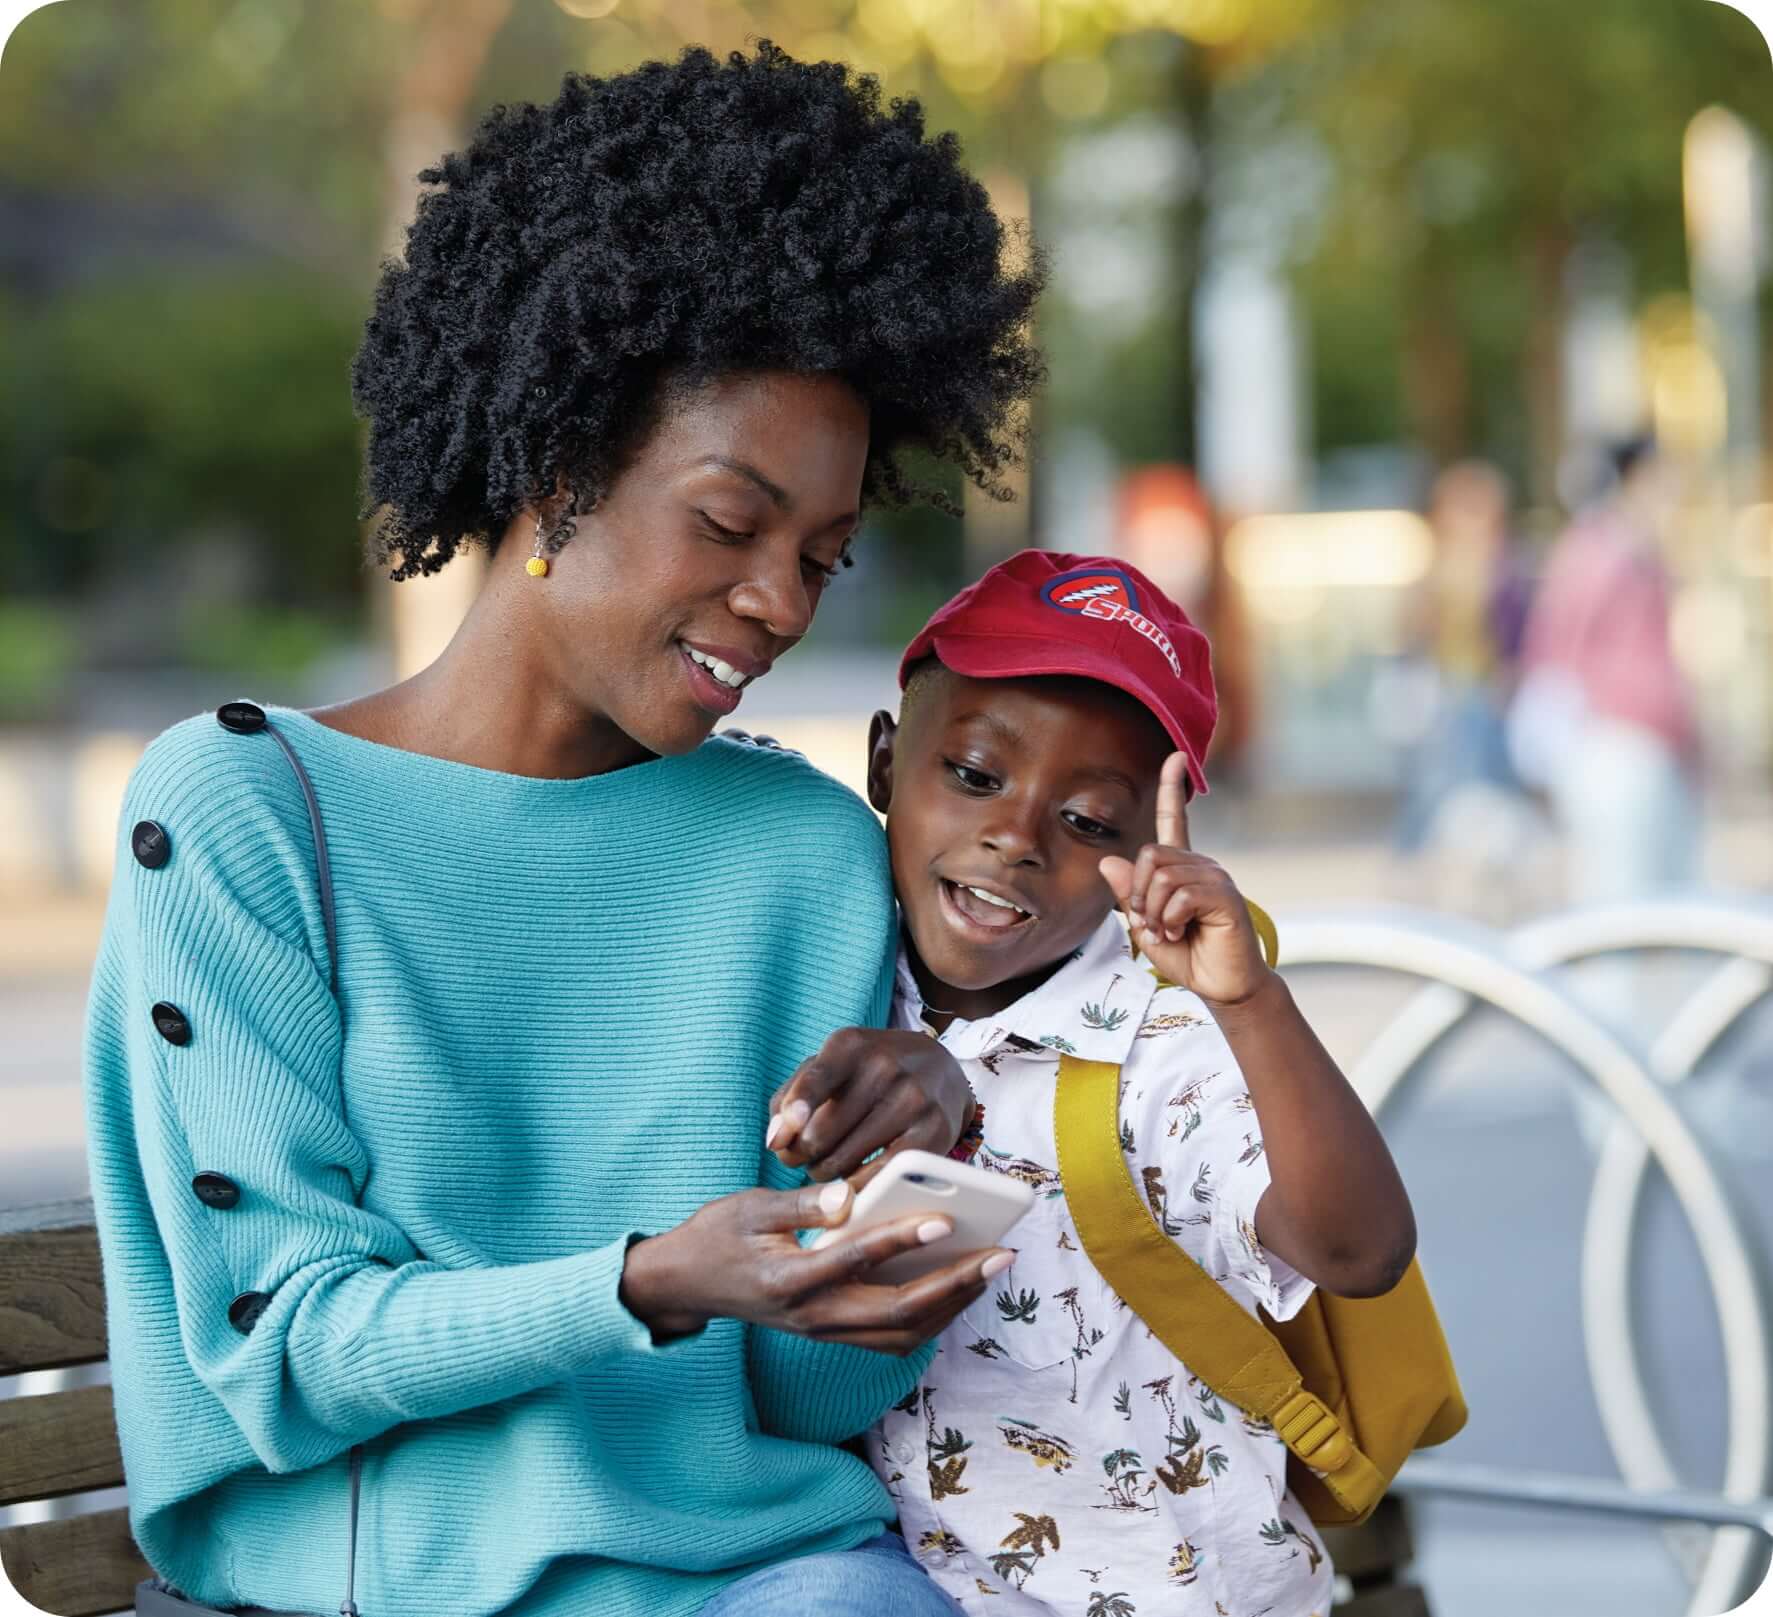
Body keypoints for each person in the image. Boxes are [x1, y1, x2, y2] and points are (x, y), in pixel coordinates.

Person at [83, 44, 1044, 1617]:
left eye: (822, 554)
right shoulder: (244, 814)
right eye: (729, 524)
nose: (780, 604)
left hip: (770, 1578)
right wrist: (648, 1279)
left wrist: (894, 1209)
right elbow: (281, 1348)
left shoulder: (798, 851)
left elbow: (807, 1408)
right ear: (554, 462)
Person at [822, 550, 1416, 1616]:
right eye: (973, 775)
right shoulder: (833, 980)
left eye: (1090, 823)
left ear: (1151, 846)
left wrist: (1250, 1004)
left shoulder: (1164, 1044)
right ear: (882, 764)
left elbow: (1357, 1251)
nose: (1014, 837)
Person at [1514, 435, 1701, 905]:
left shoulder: (1644, 553)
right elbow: (1554, 649)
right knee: (1616, 900)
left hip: (1656, 747)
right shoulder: (1597, 550)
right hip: (1611, 743)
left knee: (1670, 897)